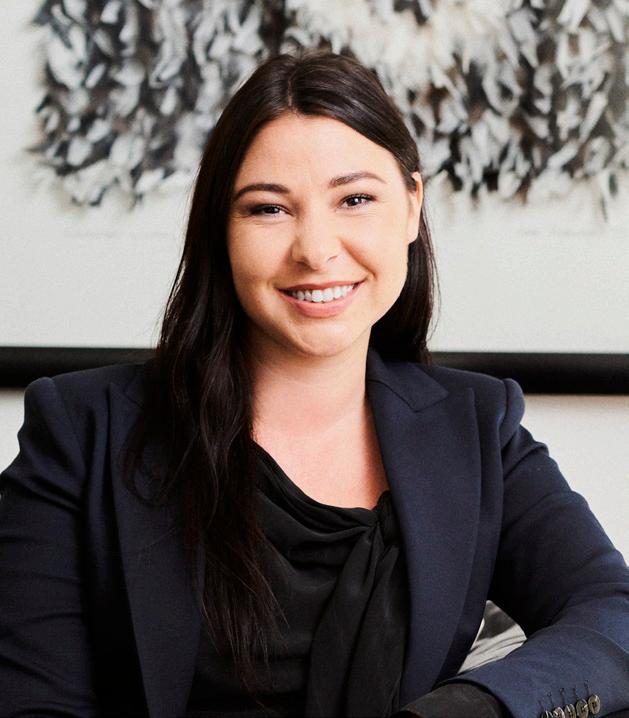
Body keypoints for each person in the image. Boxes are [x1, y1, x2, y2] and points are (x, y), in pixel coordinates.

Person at [0, 50, 628, 718]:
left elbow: (610, 614)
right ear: (220, 229)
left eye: (355, 200)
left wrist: (465, 709)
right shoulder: (84, 430)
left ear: (411, 207)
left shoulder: (478, 427)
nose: (316, 249)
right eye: (269, 209)